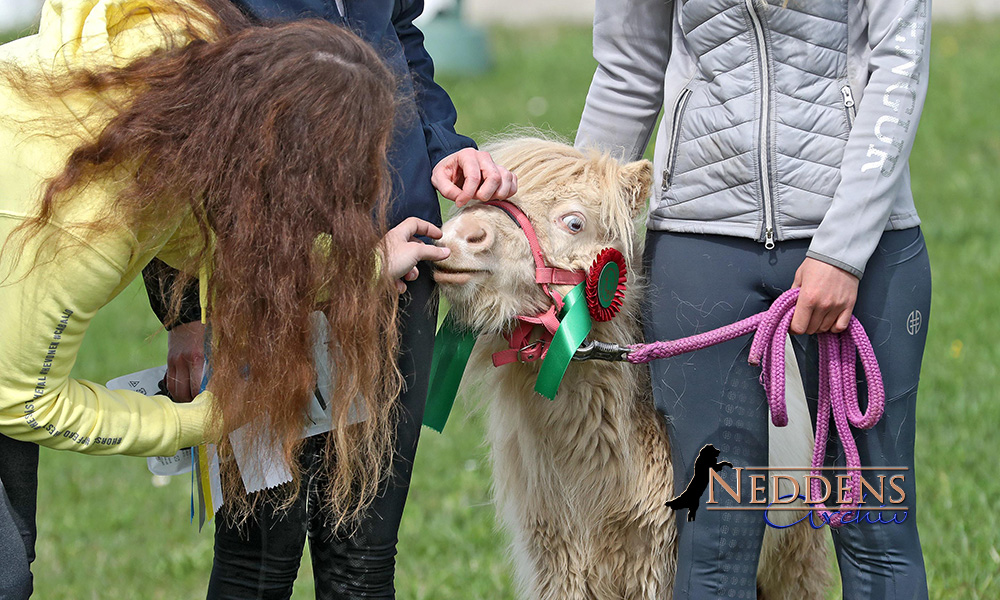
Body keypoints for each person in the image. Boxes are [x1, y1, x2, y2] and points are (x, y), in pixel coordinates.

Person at [0, 1, 455, 596]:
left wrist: (358, 266)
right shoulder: (86, 229)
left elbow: (212, 241)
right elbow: (22, 403)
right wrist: (200, 421)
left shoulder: (189, 79)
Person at [144, 1, 519, 598]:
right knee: (258, 556)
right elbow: (172, 135)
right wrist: (185, 311)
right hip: (265, 288)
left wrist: (443, 142)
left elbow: (397, 31)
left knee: (363, 559)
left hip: (399, 271)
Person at [576, 0, 931, 598]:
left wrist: (842, 250)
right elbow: (626, 69)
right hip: (700, 240)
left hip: (864, 247)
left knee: (877, 528)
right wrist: (575, 241)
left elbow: (899, 63)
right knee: (712, 537)